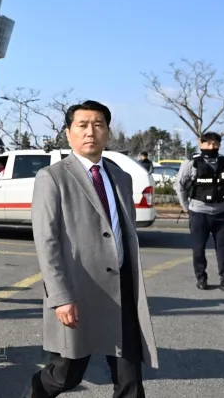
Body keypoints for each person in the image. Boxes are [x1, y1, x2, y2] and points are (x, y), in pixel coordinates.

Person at [30, 100, 158, 398]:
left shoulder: (120, 177)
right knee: (65, 375)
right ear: (68, 132)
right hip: (78, 291)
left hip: (121, 291)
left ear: (107, 132)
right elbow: (47, 242)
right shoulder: (53, 177)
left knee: (130, 379)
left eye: (98, 125)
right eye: (83, 125)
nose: (91, 132)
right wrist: (60, 297)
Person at [175, 132, 224, 294]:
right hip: (199, 212)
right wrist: (186, 207)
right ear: (201, 144)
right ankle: (201, 277)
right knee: (198, 247)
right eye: (208, 144)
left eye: (215, 144)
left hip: (221, 212)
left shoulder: (223, 161)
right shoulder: (191, 163)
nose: (212, 147)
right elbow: (180, 185)